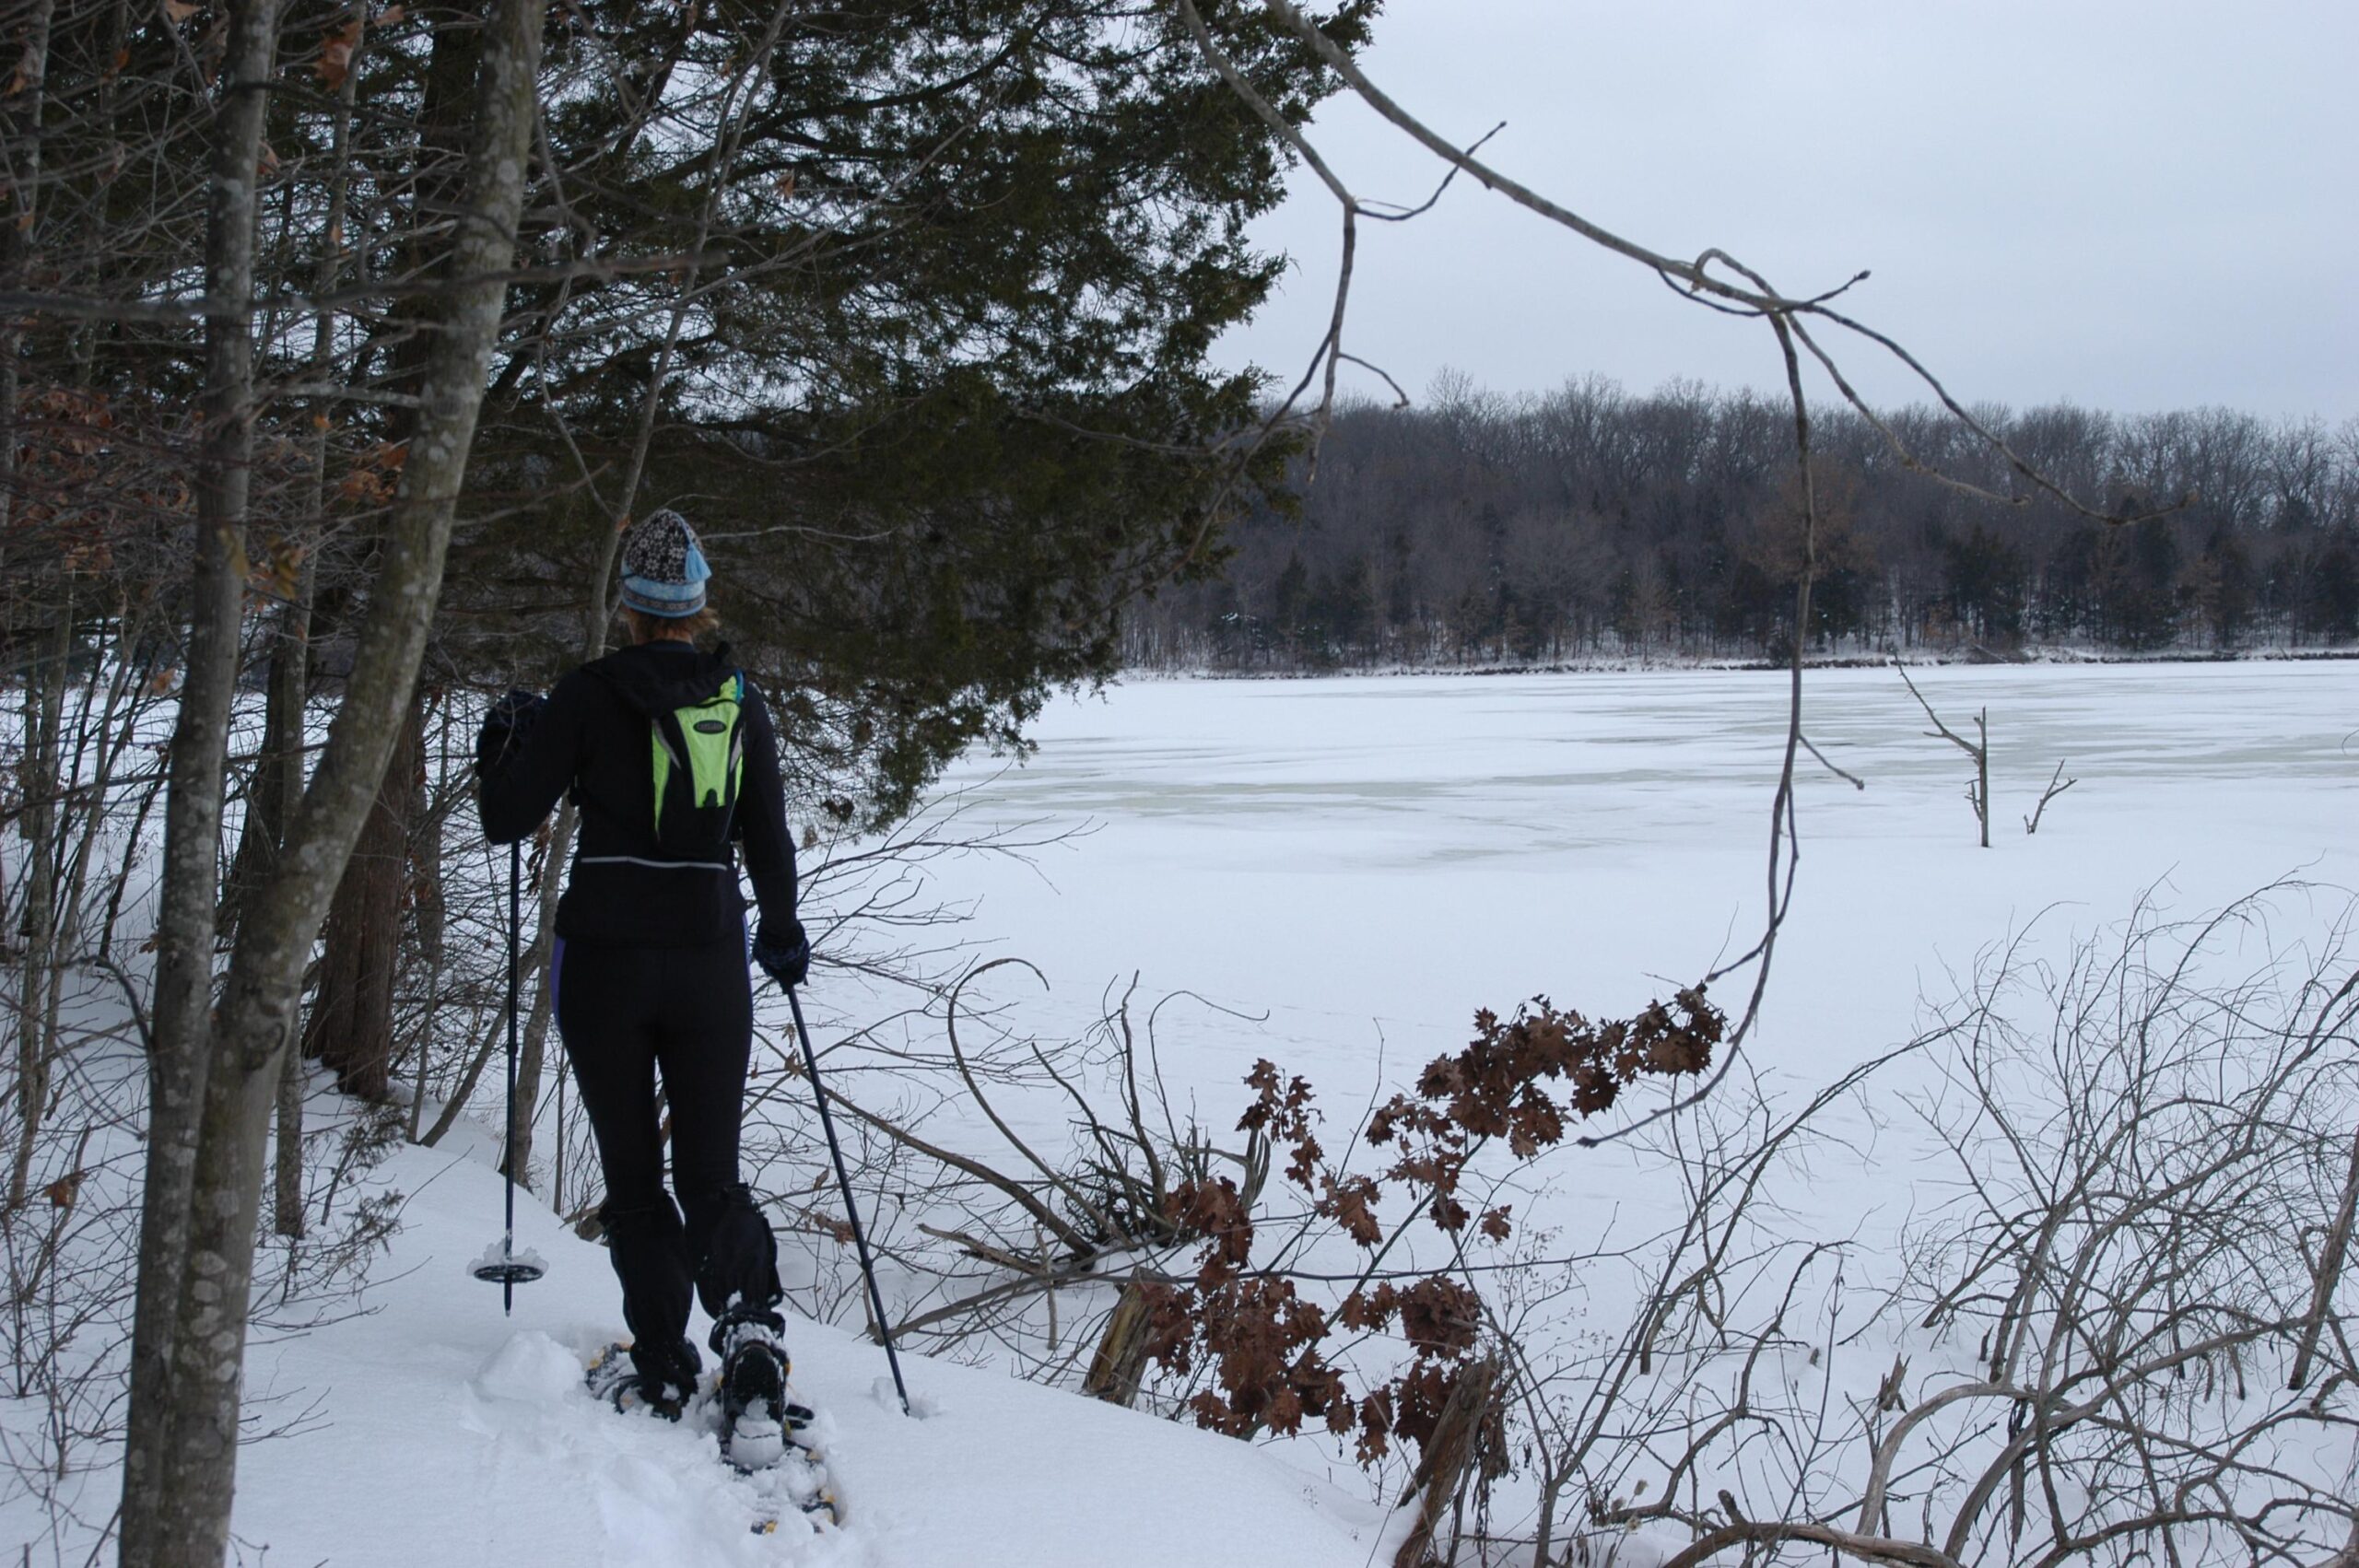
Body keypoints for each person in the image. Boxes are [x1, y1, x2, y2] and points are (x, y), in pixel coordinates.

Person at [475, 509, 812, 1452]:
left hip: (607, 958)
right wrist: (781, 936)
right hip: (708, 956)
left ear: (630, 604)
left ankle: (662, 1356)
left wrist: (506, 737)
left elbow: (507, 819)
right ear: (699, 606)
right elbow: (770, 834)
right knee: (710, 1169)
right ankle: (748, 1335)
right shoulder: (738, 697)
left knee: (634, 1171)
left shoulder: (585, 693)